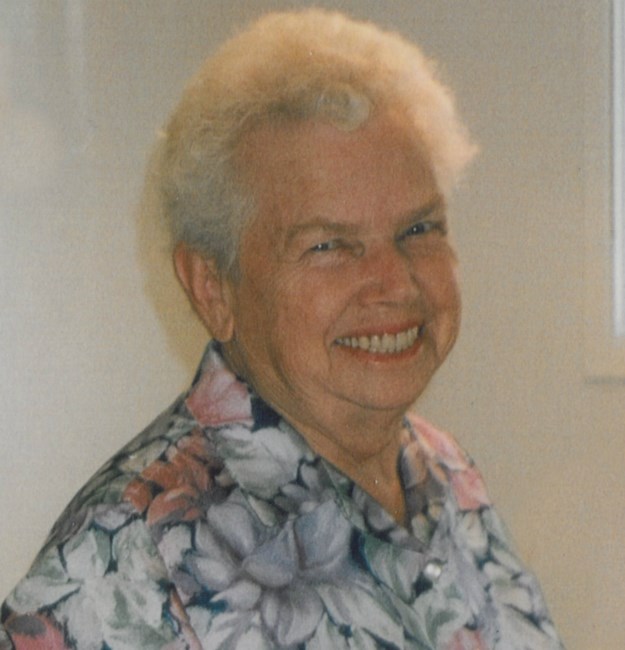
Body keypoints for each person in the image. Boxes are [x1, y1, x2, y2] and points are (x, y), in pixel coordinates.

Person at [0, 9, 565, 650]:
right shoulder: (121, 563)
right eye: (329, 245)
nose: (396, 282)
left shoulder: (445, 469)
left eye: (418, 229)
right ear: (212, 287)